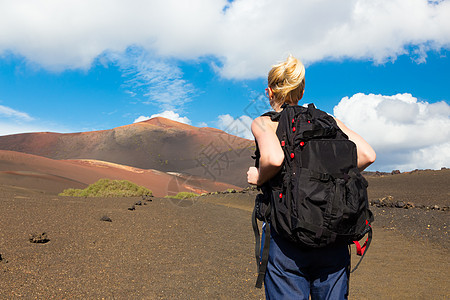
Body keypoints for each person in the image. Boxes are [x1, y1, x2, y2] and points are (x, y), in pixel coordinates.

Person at [247, 55, 376, 299]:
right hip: (334, 234)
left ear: (269, 91)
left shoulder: (264, 123)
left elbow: (274, 159)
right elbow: (368, 155)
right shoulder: (329, 121)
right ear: (302, 90)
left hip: (286, 239)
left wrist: (259, 177)